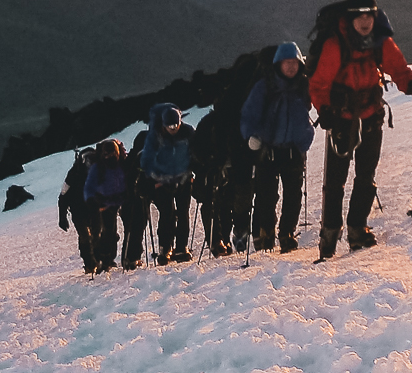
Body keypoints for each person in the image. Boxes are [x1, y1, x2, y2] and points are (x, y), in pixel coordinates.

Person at [307, 0, 412, 259]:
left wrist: (410, 84)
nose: (364, 21)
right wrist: (324, 109)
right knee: (336, 179)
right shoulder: (335, 45)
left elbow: (397, 67)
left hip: (370, 115)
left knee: (365, 174)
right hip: (341, 118)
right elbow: (319, 84)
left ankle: (356, 228)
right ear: (350, 18)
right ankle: (331, 231)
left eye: (369, 15)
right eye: (359, 16)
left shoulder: (379, 42)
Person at [241, 42, 314, 253]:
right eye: (287, 63)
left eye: (294, 63)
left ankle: (286, 233)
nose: (291, 67)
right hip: (268, 150)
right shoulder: (265, 87)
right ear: (278, 64)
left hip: (293, 150)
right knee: (267, 195)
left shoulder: (303, 85)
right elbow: (249, 115)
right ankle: (267, 233)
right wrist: (251, 136)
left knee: (293, 195)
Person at [194, 52, 266, 255]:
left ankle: (226, 238)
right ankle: (242, 235)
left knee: (229, 200)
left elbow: (199, 145)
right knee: (246, 196)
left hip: (230, 160)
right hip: (236, 159)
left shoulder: (215, 118)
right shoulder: (245, 108)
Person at [129, 103, 196, 265]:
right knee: (168, 214)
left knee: (183, 212)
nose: (173, 128)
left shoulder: (188, 133)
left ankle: (181, 247)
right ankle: (165, 248)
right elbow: (147, 161)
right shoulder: (155, 136)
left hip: (183, 178)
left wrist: (194, 172)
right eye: (169, 126)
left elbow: (195, 152)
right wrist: (155, 179)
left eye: (176, 125)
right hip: (162, 181)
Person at [81, 138, 132, 273]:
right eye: (107, 155)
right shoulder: (98, 167)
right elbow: (89, 187)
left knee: (124, 228)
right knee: (109, 231)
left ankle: (124, 257)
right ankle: (106, 259)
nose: (109, 157)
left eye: (112, 155)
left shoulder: (123, 164)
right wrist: (92, 201)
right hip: (105, 202)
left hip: (120, 199)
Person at [59, 147, 99, 273]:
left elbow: (63, 195)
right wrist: (62, 216)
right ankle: (90, 264)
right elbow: (63, 196)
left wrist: (62, 216)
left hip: (88, 210)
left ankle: (94, 263)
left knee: (92, 236)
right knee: (87, 237)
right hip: (81, 211)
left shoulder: (76, 173)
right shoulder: (74, 174)